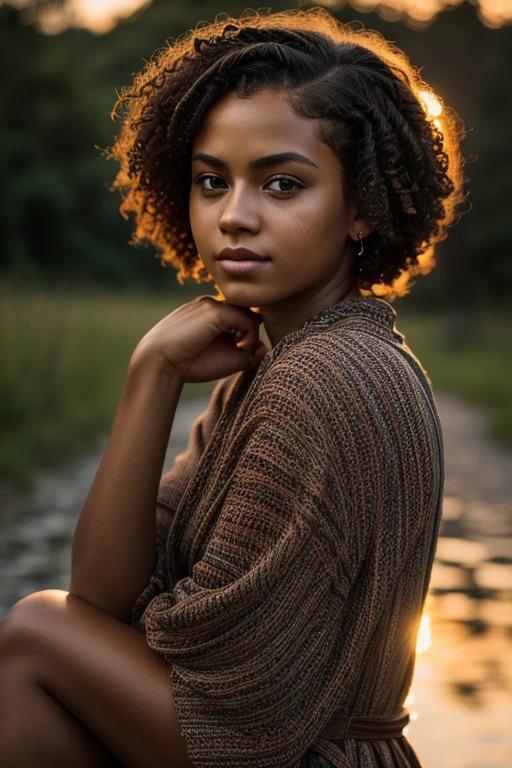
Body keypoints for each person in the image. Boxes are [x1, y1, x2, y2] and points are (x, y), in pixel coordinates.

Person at [0, 7, 466, 768]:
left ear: (359, 209)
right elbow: (105, 595)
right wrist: (151, 374)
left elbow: (238, 718)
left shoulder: (323, 380)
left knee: (32, 633)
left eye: (282, 185)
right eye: (211, 181)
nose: (234, 217)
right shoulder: (283, 367)